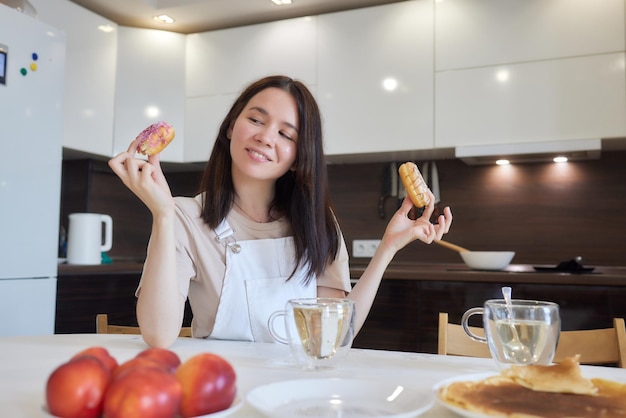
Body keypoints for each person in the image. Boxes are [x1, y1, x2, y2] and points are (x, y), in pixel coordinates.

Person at [109, 75, 453, 348]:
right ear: (231, 127)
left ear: (298, 156)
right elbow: (157, 335)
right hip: (219, 391)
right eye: (256, 119)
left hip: (297, 392)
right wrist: (163, 215)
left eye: (286, 134)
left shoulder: (317, 223)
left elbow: (335, 334)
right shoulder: (184, 216)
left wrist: (387, 249)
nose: (266, 137)